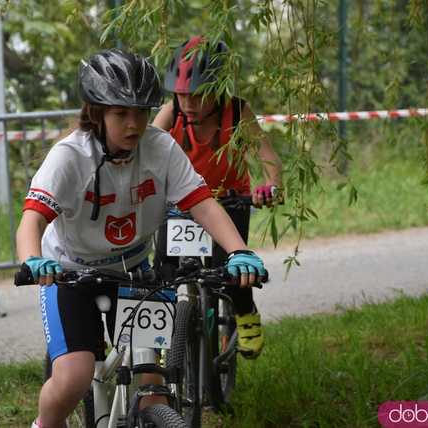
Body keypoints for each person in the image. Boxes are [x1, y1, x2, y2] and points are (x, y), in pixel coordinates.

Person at [16, 48, 268, 428]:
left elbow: (202, 204)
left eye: (141, 112)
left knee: (154, 384)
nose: (134, 124)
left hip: (134, 270)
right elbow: (32, 221)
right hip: (70, 272)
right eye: (121, 113)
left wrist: (239, 251)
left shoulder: (161, 148)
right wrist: (34, 260)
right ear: (97, 112)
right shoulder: (70, 156)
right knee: (73, 377)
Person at [152, 35, 283, 360]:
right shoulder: (172, 113)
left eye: (198, 95)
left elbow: (267, 156)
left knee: (232, 270)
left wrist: (272, 185)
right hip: (182, 204)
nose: (189, 103)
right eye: (182, 95)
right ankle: (157, 339)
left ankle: (246, 312)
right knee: (164, 272)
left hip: (229, 200)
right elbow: (147, 152)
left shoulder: (237, 111)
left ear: (218, 89)